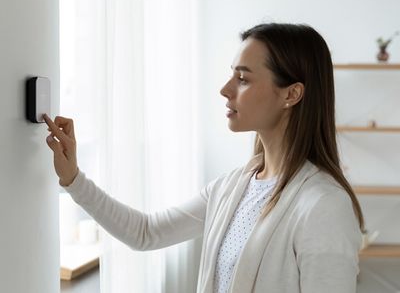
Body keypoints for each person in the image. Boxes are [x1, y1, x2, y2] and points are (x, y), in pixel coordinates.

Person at [44, 23, 365, 293]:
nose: (225, 89)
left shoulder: (323, 206)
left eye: (243, 78)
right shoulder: (232, 187)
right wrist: (73, 178)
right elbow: (146, 232)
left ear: (291, 94)